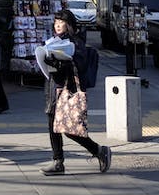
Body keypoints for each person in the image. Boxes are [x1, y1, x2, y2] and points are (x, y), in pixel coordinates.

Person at [38, 9, 111, 176]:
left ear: (69, 25)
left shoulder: (75, 43)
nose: (57, 25)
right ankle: (58, 162)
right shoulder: (53, 41)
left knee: (68, 128)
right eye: (55, 22)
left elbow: (79, 65)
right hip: (53, 89)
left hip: (67, 90)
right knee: (53, 126)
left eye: (61, 22)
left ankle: (99, 150)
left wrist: (59, 64)